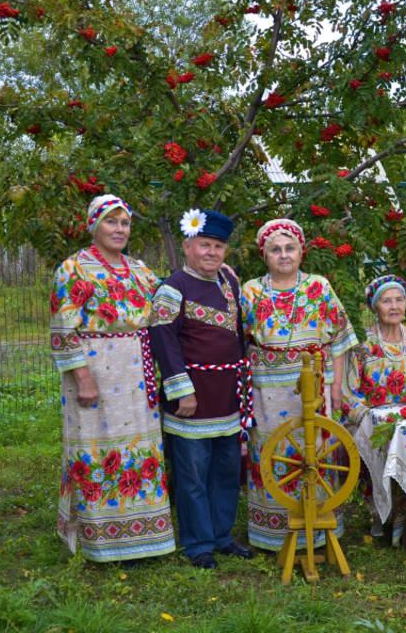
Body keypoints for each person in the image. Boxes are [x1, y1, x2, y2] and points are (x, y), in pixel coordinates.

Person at [50, 194, 176, 564]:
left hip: (138, 374)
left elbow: (164, 304)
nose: (119, 229)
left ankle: (143, 538)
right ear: (94, 225)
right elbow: (62, 330)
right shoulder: (74, 269)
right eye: (111, 221)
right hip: (95, 373)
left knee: (139, 446)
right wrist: (84, 379)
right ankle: (101, 541)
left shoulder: (138, 270)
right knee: (96, 446)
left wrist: (211, 281)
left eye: (125, 223)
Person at [240, 218, 358, 551]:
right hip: (266, 387)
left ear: (301, 251)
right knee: (271, 450)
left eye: (290, 248)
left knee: (315, 453)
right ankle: (272, 533)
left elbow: (339, 339)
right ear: (264, 255)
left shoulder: (318, 286)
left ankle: (318, 531)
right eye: (275, 249)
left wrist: (335, 389)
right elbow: (239, 341)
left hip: (316, 384)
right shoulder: (250, 291)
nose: (284, 255)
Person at [148, 208, 253, 569]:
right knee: (192, 474)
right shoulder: (171, 289)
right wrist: (182, 391)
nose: (211, 252)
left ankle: (222, 535)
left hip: (227, 395)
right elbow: (164, 343)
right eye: (204, 244)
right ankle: (198, 544)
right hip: (192, 399)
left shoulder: (229, 283)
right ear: (188, 245)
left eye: (218, 246)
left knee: (225, 470)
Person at [344, 275, 406, 543]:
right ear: (374, 307)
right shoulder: (362, 344)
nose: (394, 306)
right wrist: (366, 416)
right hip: (374, 419)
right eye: (386, 301)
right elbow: (349, 392)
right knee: (381, 439)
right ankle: (386, 520)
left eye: (399, 299)